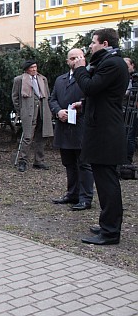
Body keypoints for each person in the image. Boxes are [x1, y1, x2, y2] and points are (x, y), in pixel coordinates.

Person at [72, 28, 129, 245]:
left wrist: (79, 69)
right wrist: (84, 105)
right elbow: (102, 95)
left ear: (105, 44)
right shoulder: (109, 62)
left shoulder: (112, 64)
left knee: (107, 183)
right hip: (103, 128)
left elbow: (90, 87)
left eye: (93, 43)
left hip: (106, 132)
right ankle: (107, 224)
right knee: (104, 181)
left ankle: (111, 231)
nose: (90, 47)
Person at [49, 49, 94, 211]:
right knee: (69, 163)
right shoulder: (60, 80)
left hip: (81, 126)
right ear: (67, 61)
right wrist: (58, 111)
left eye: (78, 58)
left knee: (84, 164)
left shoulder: (89, 77)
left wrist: (80, 107)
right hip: (63, 126)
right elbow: (52, 99)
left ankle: (85, 197)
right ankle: (72, 193)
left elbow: (91, 97)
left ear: (84, 59)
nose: (75, 61)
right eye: (72, 58)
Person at [12, 59, 53, 172]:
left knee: (41, 136)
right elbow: (15, 97)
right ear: (26, 69)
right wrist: (20, 111)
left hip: (43, 110)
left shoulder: (42, 79)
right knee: (27, 137)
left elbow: (47, 95)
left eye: (35, 67)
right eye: (31, 67)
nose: (34, 69)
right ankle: (23, 161)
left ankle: (39, 161)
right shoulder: (19, 80)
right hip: (28, 112)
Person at [124, 57, 138, 164]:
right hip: (121, 110)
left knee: (130, 136)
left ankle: (127, 162)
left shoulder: (135, 79)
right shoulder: (121, 77)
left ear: (132, 65)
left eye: (127, 65)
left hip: (132, 111)